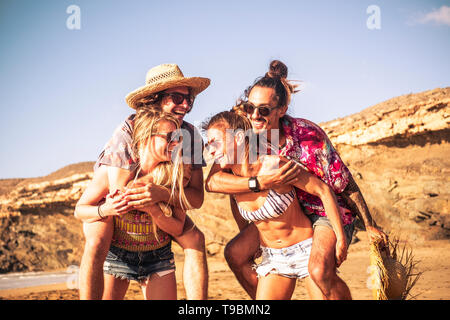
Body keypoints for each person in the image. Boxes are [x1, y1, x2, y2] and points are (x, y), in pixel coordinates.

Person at [205, 60, 388, 300]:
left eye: (264, 110)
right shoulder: (243, 135)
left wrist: (369, 223)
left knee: (319, 271)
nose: (255, 115)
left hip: (322, 209)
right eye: (250, 108)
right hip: (282, 211)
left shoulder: (307, 136)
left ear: (281, 109)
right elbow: (217, 181)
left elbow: (342, 184)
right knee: (236, 253)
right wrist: (259, 186)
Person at [77, 63, 210, 300]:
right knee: (97, 235)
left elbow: (196, 197)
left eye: (189, 99)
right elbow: (123, 192)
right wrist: (111, 206)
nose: (186, 105)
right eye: (177, 97)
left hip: (160, 205)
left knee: (195, 239)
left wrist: (160, 194)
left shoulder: (189, 136)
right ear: (154, 99)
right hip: (115, 210)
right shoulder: (129, 130)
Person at [203, 111, 348, 299]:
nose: (211, 150)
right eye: (208, 145)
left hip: (306, 251)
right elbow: (216, 187)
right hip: (274, 259)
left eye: (215, 143)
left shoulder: (274, 166)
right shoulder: (231, 178)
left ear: (238, 137)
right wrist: (245, 230)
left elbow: (323, 191)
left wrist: (340, 238)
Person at [75, 108, 191, 299]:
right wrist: (106, 209)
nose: (176, 143)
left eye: (178, 137)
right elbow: (80, 211)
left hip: (158, 257)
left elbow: (178, 227)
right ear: (146, 137)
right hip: (117, 257)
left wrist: (153, 208)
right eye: (169, 137)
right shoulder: (112, 172)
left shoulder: (174, 175)